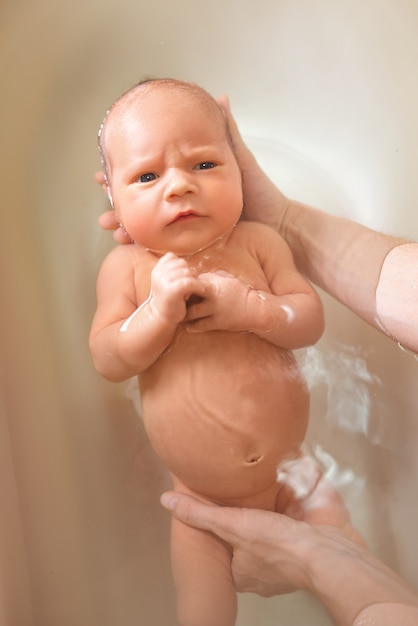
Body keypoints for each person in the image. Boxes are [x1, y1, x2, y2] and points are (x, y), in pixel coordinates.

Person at [97, 90, 418, 624]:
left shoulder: (259, 243)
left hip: (295, 475)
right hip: (201, 502)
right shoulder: (129, 270)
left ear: (238, 170)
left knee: (348, 552)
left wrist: (256, 311)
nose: (180, 184)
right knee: (203, 612)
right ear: (114, 198)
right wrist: (154, 312)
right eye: (147, 178)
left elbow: (306, 322)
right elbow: (109, 357)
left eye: (204, 163)